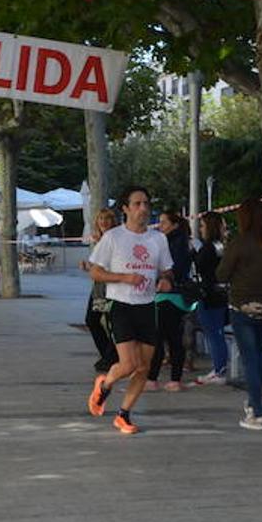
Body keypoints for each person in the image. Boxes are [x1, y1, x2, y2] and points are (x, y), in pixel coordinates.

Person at [84, 186, 174, 434]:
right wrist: (124, 278)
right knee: (128, 364)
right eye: (137, 204)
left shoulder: (158, 239)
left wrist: (166, 281)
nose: (143, 208)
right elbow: (95, 271)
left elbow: (167, 270)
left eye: (146, 203)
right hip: (121, 307)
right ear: (125, 208)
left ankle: (123, 415)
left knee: (144, 368)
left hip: (147, 307)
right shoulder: (113, 237)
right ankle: (104, 385)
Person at [220, 197, 262, 431]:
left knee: (250, 359)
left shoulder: (239, 243)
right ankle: (252, 402)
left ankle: (257, 412)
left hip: (242, 306)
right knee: (256, 355)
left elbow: (222, 273)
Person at [147, 207, 196, 391]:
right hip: (174, 296)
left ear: (174, 225)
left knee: (161, 337)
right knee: (172, 337)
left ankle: (155, 378)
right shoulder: (179, 242)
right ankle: (172, 378)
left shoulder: (174, 244)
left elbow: (172, 269)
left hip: (169, 295)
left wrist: (163, 277)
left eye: (164, 222)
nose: (160, 226)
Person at [79, 207, 119, 373]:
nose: (103, 222)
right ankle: (108, 355)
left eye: (107, 219)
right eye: (101, 219)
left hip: (110, 288)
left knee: (110, 324)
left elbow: (110, 264)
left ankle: (111, 357)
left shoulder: (114, 239)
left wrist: (91, 267)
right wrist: (89, 266)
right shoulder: (101, 240)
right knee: (93, 320)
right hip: (99, 288)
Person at [193, 212, 231, 385]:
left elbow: (202, 266)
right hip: (218, 294)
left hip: (209, 295)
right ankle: (219, 368)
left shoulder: (209, 247)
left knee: (214, 333)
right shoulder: (219, 246)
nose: (200, 229)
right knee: (216, 333)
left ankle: (219, 369)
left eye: (202, 226)